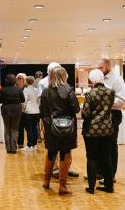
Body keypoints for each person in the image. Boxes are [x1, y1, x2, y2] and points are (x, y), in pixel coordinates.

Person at [40, 66, 79, 195]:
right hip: (66, 128)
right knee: (65, 154)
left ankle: (46, 181)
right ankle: (62, 185)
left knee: (51, 152)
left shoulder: (45, 91)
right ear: (64, 76)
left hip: (50, 127)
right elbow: (76, 109)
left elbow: (43, 110)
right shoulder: (68, 89)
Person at [82, 69, 115, 194]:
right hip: (107, 129)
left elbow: (85, 113)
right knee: (106, 157)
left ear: (91, 80)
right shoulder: (111, 92)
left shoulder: (90, 94)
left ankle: (91, 187)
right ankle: (109, 186)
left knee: (92, 157)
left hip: (92, 131)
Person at [97, 58, 125, 184]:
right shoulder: (100, 79)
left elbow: (122, 100)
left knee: (111, 146)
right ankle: (101, 172)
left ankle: (111, 175)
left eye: (101, 68)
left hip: (113, 115)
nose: (99, 70)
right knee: (101, 145)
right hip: (101, 116)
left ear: (107, 66)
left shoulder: (117, 80)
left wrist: (104, 103)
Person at [0, 74, 25, 154]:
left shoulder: (3, 90)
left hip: (5, 111)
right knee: (15, 129)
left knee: (7, 129)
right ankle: (13, 148)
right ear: (14, 81)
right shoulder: (18, 89)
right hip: (16, 110)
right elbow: (23, 100)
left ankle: (8, 148)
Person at [23, 76, 40, 151]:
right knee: (35, 128)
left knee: (29, 129)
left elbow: (24, 101)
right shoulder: (37, 90)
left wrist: (23, 109)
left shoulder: (26, 90)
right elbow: (39, 100)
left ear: (26, 82)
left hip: (29, 111)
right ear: (33, 82)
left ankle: (30, 145)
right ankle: (35, 144)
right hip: (36, 111)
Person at [16, 73, 27, 149]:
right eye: (18, 78)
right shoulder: (15, 88)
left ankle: (31, 144)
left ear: (24, 80)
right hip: (17, 110)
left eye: (21, 78)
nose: (19, 80)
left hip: (25, 110)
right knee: (19, 127)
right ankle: (20, 143)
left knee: (25, 127)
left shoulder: (26, 89)